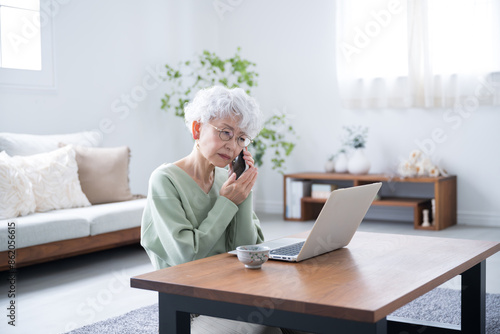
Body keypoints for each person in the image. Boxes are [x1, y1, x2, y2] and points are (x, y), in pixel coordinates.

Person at [141, 85, 265, 270]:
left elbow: (246, 250)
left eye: (241, 139)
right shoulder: (164, 180)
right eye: (226, 133)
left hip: (230, 283)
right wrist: (227, 202)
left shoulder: (228, 180)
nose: (232, 146)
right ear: (197, 129)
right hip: (185, 290)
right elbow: (187, 258)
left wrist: (243, 192)